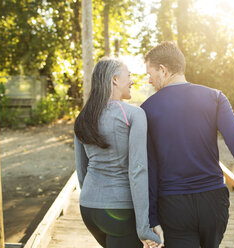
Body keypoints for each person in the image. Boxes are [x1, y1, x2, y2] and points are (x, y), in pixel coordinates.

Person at [141, 42, 234, 248]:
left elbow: (149, 167)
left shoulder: (147, 109)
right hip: (213, 202)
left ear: (163, 69)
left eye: (149, 73)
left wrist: (152, 217)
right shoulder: (215, 98)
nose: (148, 79)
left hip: (173, 206)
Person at [74, 57, 163, 248]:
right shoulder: (133, 114)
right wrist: (143, 227)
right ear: (115, 79)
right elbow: (138, 171)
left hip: (88, 207)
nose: (132, 81)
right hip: (119, 211)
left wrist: (94, 198)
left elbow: (81, 170)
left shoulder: (83, 116)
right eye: (129, 76)